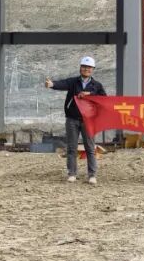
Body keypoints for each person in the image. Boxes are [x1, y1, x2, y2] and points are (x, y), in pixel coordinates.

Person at [44, 55, 107, 185]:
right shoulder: (73, 82)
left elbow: (104, 99)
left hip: (88, 120)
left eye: (89, 67)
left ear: (93, 69)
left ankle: (92, 175)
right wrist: (52, 84)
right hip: (72, 119)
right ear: (80, 68)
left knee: (90, 148)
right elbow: (63, 84)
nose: (86, 69)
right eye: (84, 67)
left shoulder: (97, 85)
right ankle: (72, 173)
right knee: (71, 148)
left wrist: (90, 94)